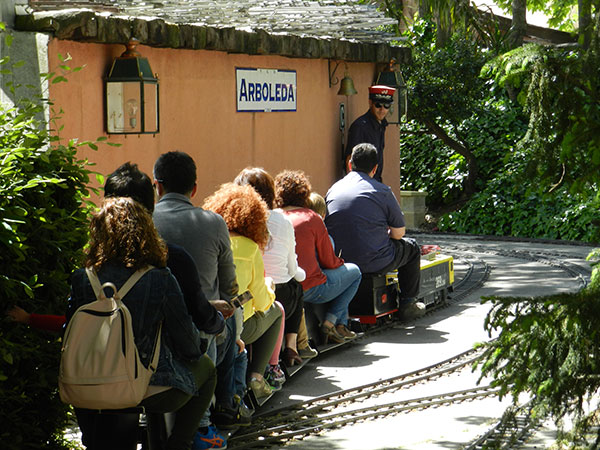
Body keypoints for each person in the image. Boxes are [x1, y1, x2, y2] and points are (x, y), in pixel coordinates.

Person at [67, 197, 216, 450]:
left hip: (87, 386)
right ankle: (178, 444)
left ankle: (92, 440)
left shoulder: (82, 278)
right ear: (146, 231)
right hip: (147, 386)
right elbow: (188, 342)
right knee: (207, 369)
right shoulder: (159, 278)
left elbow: (68, 334)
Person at [152, 151, 244, 445]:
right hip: (201, 331)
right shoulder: (213, 222)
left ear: (157, 186)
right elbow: (230, 287)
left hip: (150, 331)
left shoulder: (145, 222)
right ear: (194, 188)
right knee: (227, 327)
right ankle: (207, 423)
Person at [204, 183, 283, 400]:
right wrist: (269, 286)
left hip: (208, 320)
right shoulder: (250, 248)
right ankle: (258, 375)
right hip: (237, 325)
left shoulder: (211, 242)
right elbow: (262, 302)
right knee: (276, 312)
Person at [325, 143, 423, 318]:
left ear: (350, 164)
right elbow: (399, 233)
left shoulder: (333, 189)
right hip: (375, 261)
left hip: (339, 260)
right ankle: (408, 303)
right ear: (375, 168)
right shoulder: (382, 191)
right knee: (413, 248)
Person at [233, 167, 310, 368]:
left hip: (236, 300)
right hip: (265, 296)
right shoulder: (281, 222)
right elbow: (291, 270)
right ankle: (287, 350)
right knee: (290, 294)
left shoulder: (230, 224)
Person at [274, 170, 362, 344]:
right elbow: (329, 261)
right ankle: (331, 322)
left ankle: (339, 325)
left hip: (281, 288)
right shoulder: (311, 218)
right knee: (354, 272)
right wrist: (340, 262)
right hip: (310, 287)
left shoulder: (273, 217)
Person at [344, 85, 396, 182]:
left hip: (376, 181)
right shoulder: (360, 126)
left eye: (386, 106)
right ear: (370, 103)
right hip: (361, 183)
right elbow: (349, 159)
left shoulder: (382, 125)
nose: (382, 109)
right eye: (378, 105)